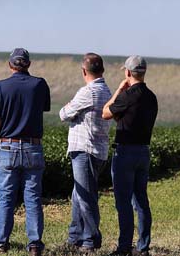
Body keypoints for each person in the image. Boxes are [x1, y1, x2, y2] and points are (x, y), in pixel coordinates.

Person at [0, 48, 51, 256]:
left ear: (10, 65)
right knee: (32, 198)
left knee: (6, 198)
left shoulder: (1, 86)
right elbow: (42, 109)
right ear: (29, 65)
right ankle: (34, 244)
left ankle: (1, 243)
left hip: (7, 145)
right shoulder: (40, 85)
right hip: (33, 146)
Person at [102, 55, 158, 256]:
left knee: (123, 201)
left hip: (125, 152)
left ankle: (124, 246)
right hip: (144, 151)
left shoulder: (127, 96)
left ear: (127, 72)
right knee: (141, 200)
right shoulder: (151, 97)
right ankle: (143, 246)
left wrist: (119, 90)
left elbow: (106, 112)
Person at [59, 53, 112, 253]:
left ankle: (90, 240)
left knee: (86, 196)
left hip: (85, 149)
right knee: (78, 193)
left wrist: (68, 106)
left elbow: (64, 114)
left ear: (84, 71)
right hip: (98, 150)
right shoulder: (106, 90)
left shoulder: (88, 92)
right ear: (102, 70)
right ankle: (75, 236)